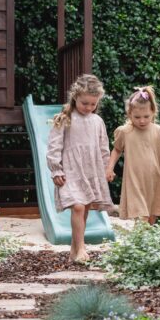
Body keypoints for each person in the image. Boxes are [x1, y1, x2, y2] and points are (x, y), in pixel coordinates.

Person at [47, 74, 114, 263]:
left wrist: (106, 168)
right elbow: (54, 146)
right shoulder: (64, 119)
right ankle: (81, 247)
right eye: (85, 103)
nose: (89, 107)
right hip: (70, 171)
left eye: (93, 104)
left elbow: (103, 147)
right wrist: (56, 170)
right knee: (77, 206)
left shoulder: (97, 121)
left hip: (90, 171)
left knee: (84, 208)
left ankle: (74, 251)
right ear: (75, 97)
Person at [106, 86, 160, 225]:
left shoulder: (159, 131)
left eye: (146, 117)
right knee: (140, 214)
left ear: (153, 112)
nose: (142, 121)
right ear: (129, 114)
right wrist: (109, 168)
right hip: (134, 179)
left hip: (154, 178)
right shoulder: (125, 132)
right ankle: (141, 238)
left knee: (151, 214)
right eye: (137, 117)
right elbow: (117, 150)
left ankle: (144, 242)